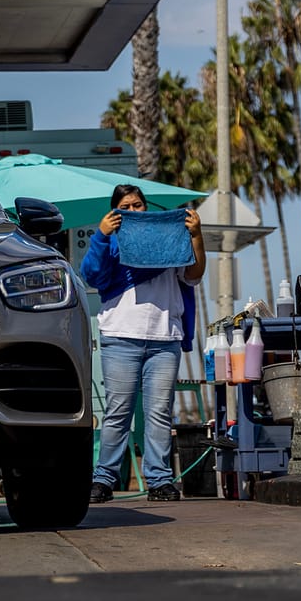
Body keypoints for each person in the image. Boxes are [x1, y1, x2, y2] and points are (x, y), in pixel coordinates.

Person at [79, 182, 205, 503]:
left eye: (138, 205)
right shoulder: (110, 239)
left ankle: (159, 480)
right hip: (120, 336)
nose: (133, 211)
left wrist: (196, 236)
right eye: (126, 206)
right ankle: (104, 479)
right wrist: (101, 235)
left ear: (146, 207)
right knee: (118, 413)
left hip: (165, 338)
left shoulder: (169, 236)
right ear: (116, 211)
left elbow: (193, 275)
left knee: (159, 413)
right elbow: (91, 276)